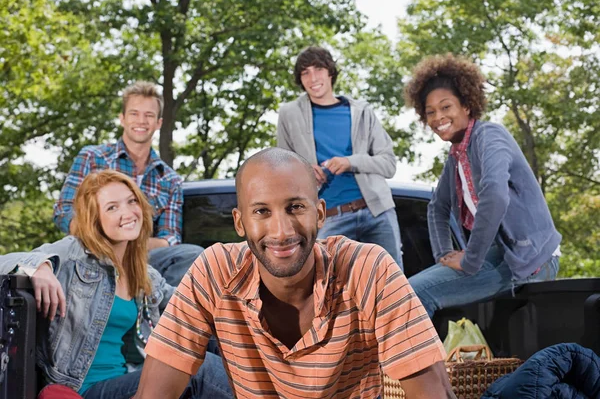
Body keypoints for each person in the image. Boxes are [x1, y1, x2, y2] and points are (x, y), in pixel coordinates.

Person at [133, 148, 455, 399]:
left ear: (319, 214)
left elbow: (434, 391)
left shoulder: (367, 268)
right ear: (239, 222)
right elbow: (154, 393)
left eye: (296, 208)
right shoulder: (214, 272)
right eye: (261, 211)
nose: (282, 231)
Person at [0, 170, 232, 399]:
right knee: (198, 370)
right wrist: (39, 267)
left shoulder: (144, 274)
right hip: (81, 389)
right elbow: (5, 261)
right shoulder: (75, 252)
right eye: (112, 207)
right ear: (95, 219)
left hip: (129, 378)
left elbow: (187, 307)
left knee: (211, 348)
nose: (128, 212)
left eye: (132, 201)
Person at [404, 54, 562, 318]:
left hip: (531, 258)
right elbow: (437, 208)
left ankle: (423, 362)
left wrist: (470, 260)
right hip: (500, 254)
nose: (437, 117)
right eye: (430, 112)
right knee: (412, 292)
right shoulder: (456, 156)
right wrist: (444, 255)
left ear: (467, 105)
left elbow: (495, 197)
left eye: (446, 107)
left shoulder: (490, 137)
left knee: (416, 294)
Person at [53, 81, 201, 286]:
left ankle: (168, 314)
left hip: (143, 261)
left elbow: (170, 238)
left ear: (158, 123)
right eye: (134, 113)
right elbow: (63, 211)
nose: (141, 120)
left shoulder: (170, 180)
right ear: (122, 118)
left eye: (149, 115)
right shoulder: (93, 158)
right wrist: (102, 239)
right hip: (92, 255)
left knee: (192, 255)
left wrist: (128, 244)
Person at [276, 46, 403, 269]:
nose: (313, 78)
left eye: (319, 69)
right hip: (328, 218)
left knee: (392, 289)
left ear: (331, 72)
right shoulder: (289, 114)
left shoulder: (361, 111)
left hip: (377, 212)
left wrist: (349, 162)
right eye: (305, 72)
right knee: (326, 294)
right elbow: (282, 170)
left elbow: (389, 164)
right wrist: (302, 172)